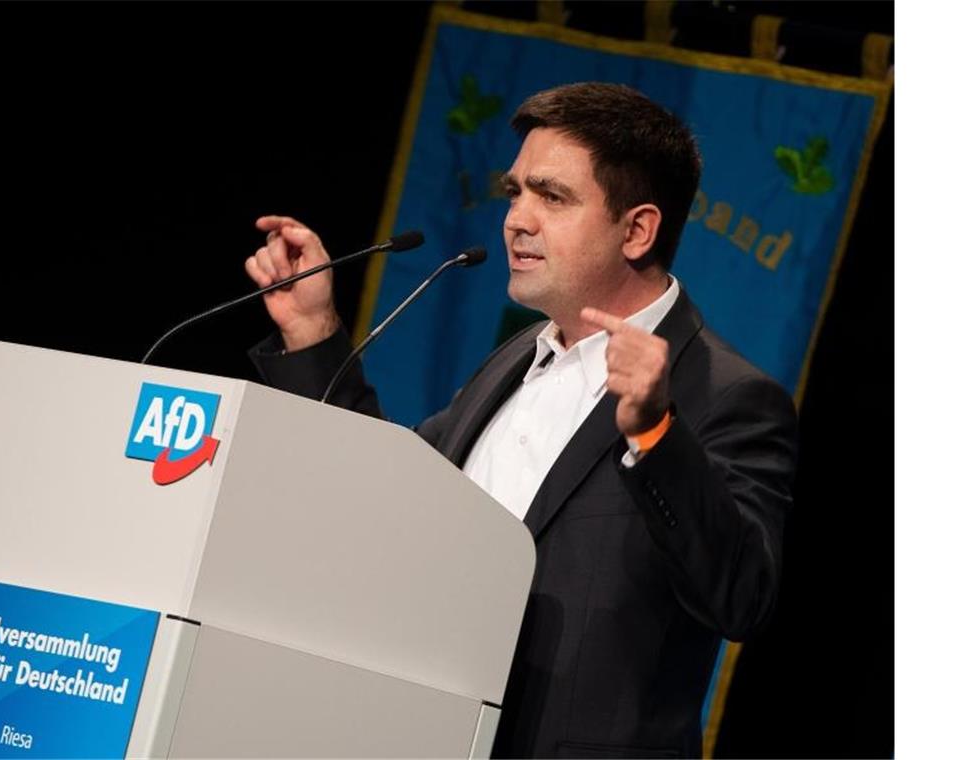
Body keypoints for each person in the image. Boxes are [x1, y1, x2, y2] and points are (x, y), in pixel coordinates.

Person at [243, 83, 797, 759]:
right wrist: (313, 333)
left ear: (638, 229)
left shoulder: (725, 394)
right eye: (514, 192)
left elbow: (739, 597)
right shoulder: (512, 363)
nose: (516, 219)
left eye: (551, 197)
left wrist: (656, 433)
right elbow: (392, 495)